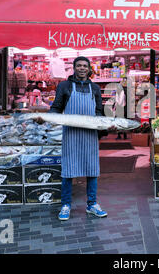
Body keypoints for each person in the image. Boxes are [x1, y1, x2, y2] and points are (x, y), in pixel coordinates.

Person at [45, 56, 110, 220]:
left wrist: (106, 124)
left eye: (85, 66)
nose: (82, 68)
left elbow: (99, 112)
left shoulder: (94, 88)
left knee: (92, 170)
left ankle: (92, 204)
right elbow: (56, 108)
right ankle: (65, 205)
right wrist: (45, 118)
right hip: (71, 134)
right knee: (68, 171)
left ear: (89, 69)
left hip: (90, 135)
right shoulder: (64, 86)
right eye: (79, 65)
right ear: (74, 68)